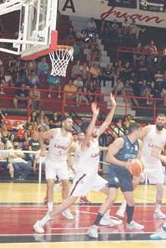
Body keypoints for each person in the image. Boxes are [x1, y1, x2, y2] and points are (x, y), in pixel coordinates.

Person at [33, 95, 119, 233]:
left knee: (112, 194)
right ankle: (41, 222)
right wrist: (94, 116)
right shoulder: (84, 144)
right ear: (87, 132)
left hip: (93, 177)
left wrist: (114, 106)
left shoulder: (95, 139)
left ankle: (105, 218)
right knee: (67, 203)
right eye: (93, 129)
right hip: (82, 178)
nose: (97, 129)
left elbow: (107, 123)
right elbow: (91, 130)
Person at [117, 113, 166, 219]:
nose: (160, 121)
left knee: (161, 188)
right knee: (134, 184)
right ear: (156, 120)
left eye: (162, 120)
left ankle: (157, 211)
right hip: (142, 162)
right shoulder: (149, 129)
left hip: (156, 163)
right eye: (159, 119)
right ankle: (122, 207)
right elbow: (136, 137)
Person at [87, 123, 145, 238]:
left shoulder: (139, 144)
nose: (142, 132)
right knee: (112, 198)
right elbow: (109, 158)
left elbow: (137, 160)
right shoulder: (120, 141)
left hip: (126, 174)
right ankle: (93, 227)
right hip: (115, 171)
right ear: (136, 130)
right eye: (141, 130)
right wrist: (125, 164)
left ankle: (129, 223)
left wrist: (139, 169)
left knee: (131, 201)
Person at [39, 115, 75, 220]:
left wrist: (70, 162)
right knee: (50, 184)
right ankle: (50, 210)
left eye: (72, 123)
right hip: (51, 162)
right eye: (69, 122)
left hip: (62, 163)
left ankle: (65, 208)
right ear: (63, 123)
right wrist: (42, 149)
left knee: (66, 184)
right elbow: (41, 137)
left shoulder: (70, 137)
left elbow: (67, 152)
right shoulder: (54, 132)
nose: (71, 124)